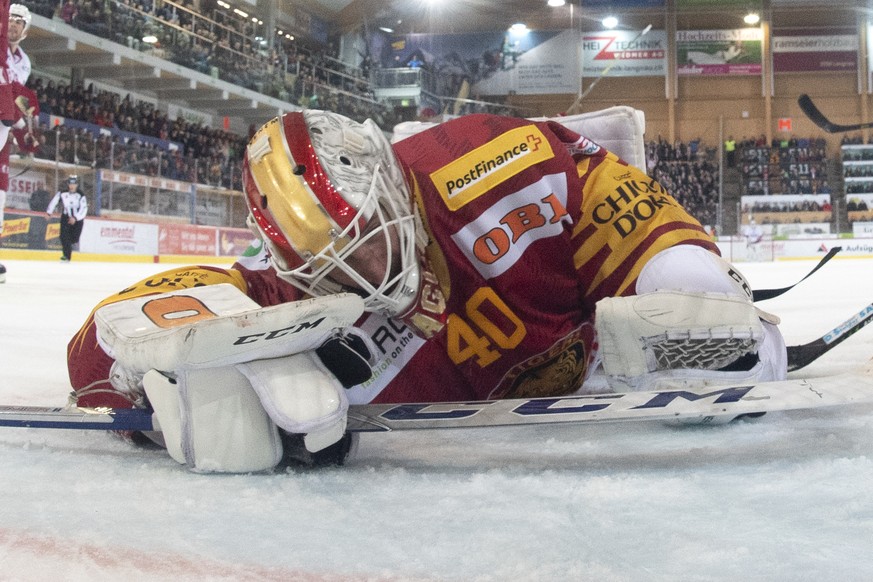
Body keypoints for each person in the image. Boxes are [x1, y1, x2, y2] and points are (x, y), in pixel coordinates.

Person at [65, 110, 788, 473]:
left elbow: (604, 190)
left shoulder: (488, 163)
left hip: (596, 348)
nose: (365, 271)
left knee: (706, 329)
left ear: (393, 181)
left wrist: (681, 278)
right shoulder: (274, 283)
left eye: (371, 234)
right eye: (331, 265)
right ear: (287, 257)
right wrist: (154, 380)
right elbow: (102, 335)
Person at [0, 3, 38, 283]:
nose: (13, 25)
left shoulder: (24, 61)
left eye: (19, 22)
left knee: (0, 193)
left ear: (25, 30)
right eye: (10, 19)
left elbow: (18, 99)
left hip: (3, 128)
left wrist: (26, 130)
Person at [46, 174, 88, 261]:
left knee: (74, 239)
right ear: (68, 184)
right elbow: (54, 201)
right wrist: (49, 212)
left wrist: (76, 218)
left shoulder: (81, 195)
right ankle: (66, 256)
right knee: (64, 237)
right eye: (70, 184)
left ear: (77, 185)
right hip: (66, 218)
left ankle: (69, 247)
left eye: (74, 184)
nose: (72, 186)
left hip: (77, 220)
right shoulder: (62, 193)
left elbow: (84, 209)